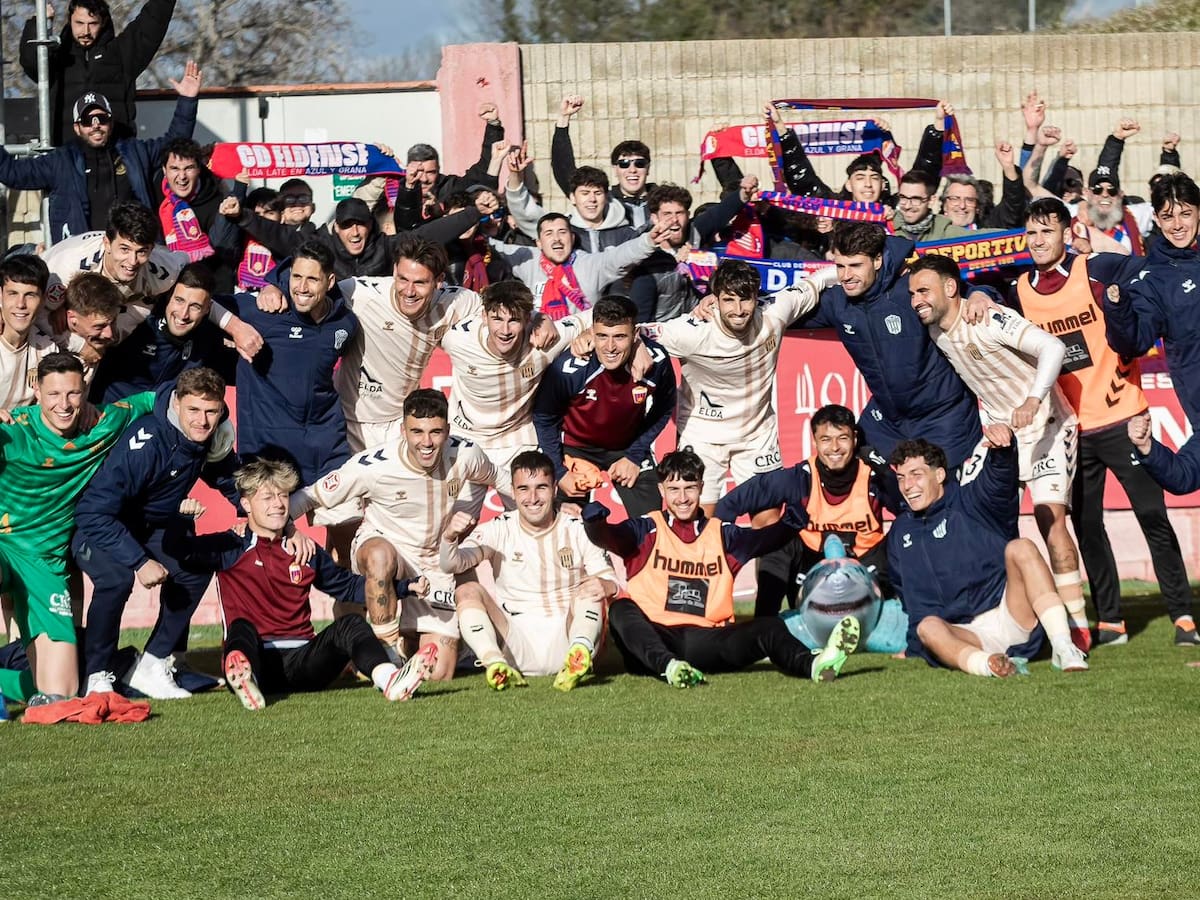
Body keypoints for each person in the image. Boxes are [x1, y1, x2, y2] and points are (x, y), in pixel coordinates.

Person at [1015, 197, 1196, 647]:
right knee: (1087, 527)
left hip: (1124, 415)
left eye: (1047, 231)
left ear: (1065, 232)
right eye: (1032, 233)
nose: (1039, 240)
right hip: (1071, 428)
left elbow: (1148, 269)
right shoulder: (1018, 289)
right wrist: (979, 293)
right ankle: (1110, 620)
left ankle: (1183, 616)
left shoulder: (1095, 269)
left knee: (1153, 517)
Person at [907, 253, 1090, 652]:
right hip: (1003, 434)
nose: (916, 299)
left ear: (950, 288)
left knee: (1049, 518)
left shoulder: (987, 318)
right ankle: (1006, 612)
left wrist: (1032, 398)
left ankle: (1077, 627)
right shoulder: (939, 331)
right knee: (983, 516)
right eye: (912, 293)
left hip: (1047, 426)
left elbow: (1054, 349)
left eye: (923, 291)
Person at [168, 458, 438, 711]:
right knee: (241, 627)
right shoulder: (230, 545)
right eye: (268, 497)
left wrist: (402, 587)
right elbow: (179, 551)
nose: (278, 504)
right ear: (247, 504)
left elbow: (348, 587)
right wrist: (182, 519)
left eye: (283, 495)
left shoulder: (304, 550)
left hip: (304, 661)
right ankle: (243, 678)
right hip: (258, 659)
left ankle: (390, 680)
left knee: (352, 624)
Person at [582, 448, 861, 687]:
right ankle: (671, 668)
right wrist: (595, 525)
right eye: (674, 489)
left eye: (689, 488)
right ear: (661, 491)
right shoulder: (647, 528)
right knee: (620, 608)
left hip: (707, 641)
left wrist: (790, 524)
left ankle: (815, 665)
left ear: (702, 488)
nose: (682, 498)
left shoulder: (722, 535)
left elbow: (763, 539)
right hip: (653, 640)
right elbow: (610, 537)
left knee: (767, 627)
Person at [289, 389, 512, 683]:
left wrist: (539, 515)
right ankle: (387, 652)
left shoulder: (466, 453)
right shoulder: (374, 466)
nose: (426, 442)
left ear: (447, 430)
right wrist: (288, 528)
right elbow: (310, 496)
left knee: (439, 673)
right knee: (380, 556)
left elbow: (500, 478)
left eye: (435, 432)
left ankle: (406, 647)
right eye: (416, 431)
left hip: (434, 562)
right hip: (384, 546)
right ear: (402, 430)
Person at [72, 368, 238, 699]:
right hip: (98, 525)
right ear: (177, 404)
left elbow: (228, 476)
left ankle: (150, 665)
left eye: (211, 411)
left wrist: (254, 511)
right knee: (116, 580)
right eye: (194, 410)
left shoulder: (212, 433)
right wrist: (139, 561)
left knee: (195, 566)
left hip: (150, 525)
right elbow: (92, 511)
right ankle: (97, 674)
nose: (202, 421)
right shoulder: (147, 441)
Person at [0, 353, 155, 704]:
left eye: (72, 393)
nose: (64, 405)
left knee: (63, 693)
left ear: (84, 390)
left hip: (45, 563)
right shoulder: (13, 430)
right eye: (54, 394)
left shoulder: (104, 421)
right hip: (4, 548)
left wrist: (215, 417)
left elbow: (156, 398)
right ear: (35, 390)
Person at [888, 432, 1089, 676]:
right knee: (927, 627)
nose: (907, 486)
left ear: (939, 475)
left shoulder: (970, 501)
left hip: (1010, 615)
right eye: (901, 478)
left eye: (916, 475)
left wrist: (1002, 451)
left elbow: (998, 482)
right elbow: (910, 600)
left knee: (1021, 547)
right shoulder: (900, 532)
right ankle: (989, 664)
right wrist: (913, 648)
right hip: (965, 635)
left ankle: (1064, 647)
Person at [640, 258, 827, 515]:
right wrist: (629, 345)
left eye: (745, 299)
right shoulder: (692, 332)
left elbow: (819, 280)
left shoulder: (775, 312)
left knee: (768, 519)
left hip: (757, 435)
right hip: (703, 435)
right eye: (729, 299)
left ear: (757, 297)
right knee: (699, 522)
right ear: (715, 300)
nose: (738, 310)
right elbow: (631, 332)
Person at [794, 221, 984, 468]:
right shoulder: (838, 302)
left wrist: (982, 294)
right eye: (840, 266)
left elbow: (962, 289)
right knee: (854, 457)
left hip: (943, 415)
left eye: (855, 266)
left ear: (877, 260)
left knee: (944, 496)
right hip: (889, 418)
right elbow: (787, 314)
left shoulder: (910, 286)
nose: (846, 275)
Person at [438, 451, 618, 691]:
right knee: (467, 589)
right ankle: (495, 664)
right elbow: (452, 564)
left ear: (554, 489)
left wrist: (606, 586)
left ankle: (579, 656)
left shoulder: (576, 528)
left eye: (541, 488)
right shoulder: (498, 529)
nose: (532, 498)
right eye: (523, 489)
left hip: (568, 635)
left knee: (591, 588)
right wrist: (450, 538)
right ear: (512, 492)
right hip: (514, 643)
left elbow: (610, 580)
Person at [717, 404, 900, 616]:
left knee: (904, 531)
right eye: (825, 439)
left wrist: (885, 471)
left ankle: (908, 614)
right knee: (777, 536)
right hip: (813, 577)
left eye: (842, 438)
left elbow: (906, 508)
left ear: (855, 439)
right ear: (814, 441)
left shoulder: (872, 476)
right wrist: (710, 528)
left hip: (866, 573)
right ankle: (764, 626)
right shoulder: (801, 477)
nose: (834, 448)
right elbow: (738, 499)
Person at [0, 60, 200, 243]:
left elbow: (174, 142)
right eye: (88, 121)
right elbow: (12, 173)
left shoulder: (135, 152)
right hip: (82, 259)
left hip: (132, 254)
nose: (95, 125)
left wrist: (188, 100)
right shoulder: (60, 161)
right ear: (77, 128)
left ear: (110, 123)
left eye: (101, 119)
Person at [439, 279, 589, 514]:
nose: (505, 330)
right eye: (497, 319)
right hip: (466, 441)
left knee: (533, 521)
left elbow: (599, 316)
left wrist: (638, 342)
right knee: (453, 524)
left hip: (517, 442)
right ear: (484, 316)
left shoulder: (545, 340)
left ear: (527, 320)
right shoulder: (457, 340)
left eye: (514, 320)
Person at [40, 201, 261, 360]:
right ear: (107, 243)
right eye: (124, 249)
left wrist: (237, 328)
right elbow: (25, 310)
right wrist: (77, 344)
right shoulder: (65, 266)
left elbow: (194, 294)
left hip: (121, 312)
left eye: (142, 252)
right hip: (51, 307)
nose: (132, 261)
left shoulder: (163, 270)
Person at [225, 240, 357, 493]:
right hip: (268, 450)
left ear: (330, 282)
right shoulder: (263, 311)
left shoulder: (346, 325)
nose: (302, 288)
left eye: (312, 279)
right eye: (296, 277)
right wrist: (235, 328)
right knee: (271, 527)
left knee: (344, 521)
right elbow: (206, 303)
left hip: (325, 445)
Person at [533, 296, 676, 518]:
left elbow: (664, 407)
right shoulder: (570, 368)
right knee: (558, 522)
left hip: (626, 447)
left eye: (619, 337)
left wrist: (634, 455)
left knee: (652, 525)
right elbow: (544, 418)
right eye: (602, 336)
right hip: (574, 446)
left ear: (635, 335)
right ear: (592, 332)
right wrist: (559, 472)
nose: (610, 347)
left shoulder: (655, 363)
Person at [20, 0, 177, 144]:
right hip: (68, 157)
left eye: (93, 23)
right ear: (70, 20)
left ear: (103, 23)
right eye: (79, 23)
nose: (86, 31)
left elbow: (152, 22)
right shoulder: (57, 57)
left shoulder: (121, 54)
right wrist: (39, 22)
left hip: (116, 155)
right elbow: (30, 62)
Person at [88, 262, 235, 404]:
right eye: (179, 300)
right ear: (168, 297)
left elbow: (245, 308)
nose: (184, 314)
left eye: (195, 306)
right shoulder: (136, 324)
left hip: (159, 421)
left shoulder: (205, 336)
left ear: (208, 309)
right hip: (109, 410)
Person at [491, 212, 667, 318]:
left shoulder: (589, 263)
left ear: (572, 238)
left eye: (562, 232)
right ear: (538, 242)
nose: (557, 239)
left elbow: (619, 256)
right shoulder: (528, 258)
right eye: (549, 234)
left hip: (582, 347)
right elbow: (493, 247)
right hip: (538, 345)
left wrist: (648, 241)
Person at [551, 96, 657, 228]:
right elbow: (564, 169)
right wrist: (563, 119)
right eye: (624, 163)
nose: (632, 169)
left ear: (648, 168)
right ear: (615, 168)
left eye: (639, 163)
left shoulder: (662, 200)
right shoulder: (604, 201)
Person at [0, 255, 58, 410]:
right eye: (12, 294)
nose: (20, 304)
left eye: (30, 295)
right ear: (0, 295)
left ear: (43, 299)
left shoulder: (48, 349)